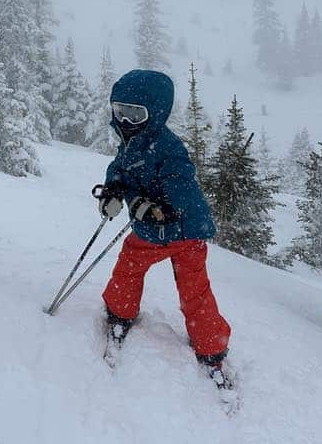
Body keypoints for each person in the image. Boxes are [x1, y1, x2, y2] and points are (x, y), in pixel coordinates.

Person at [94, 69, 232, 386]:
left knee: (136, 267)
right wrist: (113, 190)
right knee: (192, 288)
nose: (126, 121)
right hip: (181, 232)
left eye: (135, 114)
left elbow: (181, 183)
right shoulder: (132, 141)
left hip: (178, 229)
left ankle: (121, 314)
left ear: (155, 113)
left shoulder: (168, 148)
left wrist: (162, 209)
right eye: (120, 112)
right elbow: (119, 169)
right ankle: (211, 344)